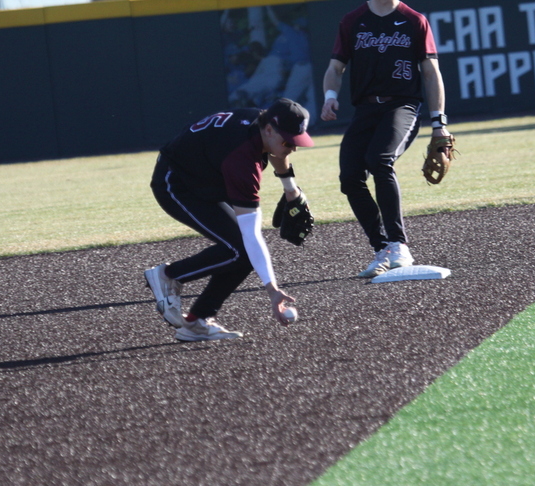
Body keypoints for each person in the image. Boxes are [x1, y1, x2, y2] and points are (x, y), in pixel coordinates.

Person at [144, 98, 314, 342]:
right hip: (176, 184)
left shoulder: (263, 123)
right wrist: (272, 289)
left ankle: (196, 322)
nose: (293, 148)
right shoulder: (243, 160)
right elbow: (252, 234)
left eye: (296, 141)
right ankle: (170, 275)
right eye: (289, 141)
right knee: (241, 249)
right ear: (268, 129)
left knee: (242, 253)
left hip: (205, 175)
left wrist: (291, 189)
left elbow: (277, 150)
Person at [321, 0, 451, 278]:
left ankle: (399, 244)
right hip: (365, 109)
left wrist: (439, 124)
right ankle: (382, 249)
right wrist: (330, 97)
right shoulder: (352, 21)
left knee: (379, 160)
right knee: (350, 177)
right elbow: (335, 68)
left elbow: (430, 72)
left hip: (402, 105)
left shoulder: (414, 20)